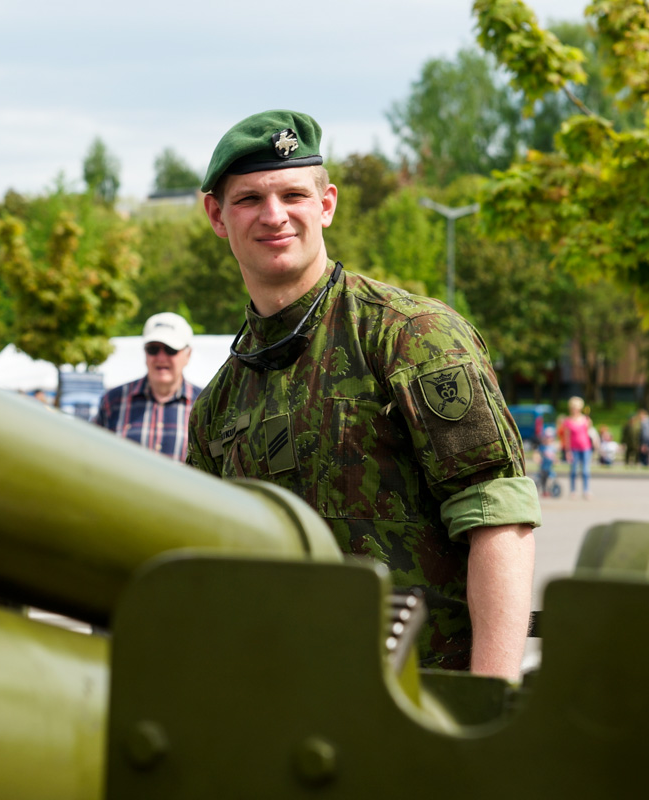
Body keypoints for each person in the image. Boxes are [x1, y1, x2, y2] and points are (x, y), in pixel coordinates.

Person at [186, 110, 539, 680]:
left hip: (422, 707)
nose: (274, 216)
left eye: (293, 194)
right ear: (217, 215)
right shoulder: (219, 404)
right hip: (288, 712)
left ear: (325, 206)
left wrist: (488, 704)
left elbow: (498, 520)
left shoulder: (410, 336)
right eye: (249, 199)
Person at [93, 312, 202, 461]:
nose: (161, 357)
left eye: (171, 350)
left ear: (188, 355)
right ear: (145, 352)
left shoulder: (205, 406)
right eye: (153, 349)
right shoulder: (113, 402)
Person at [560, 397, 594, 499]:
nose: (574, 410)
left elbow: (590, 434)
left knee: (585, 471)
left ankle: (586, 490)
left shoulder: (586, 420)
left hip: (586, 448)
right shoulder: (567, 421)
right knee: (574, 470)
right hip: (574, 449)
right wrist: (567, 451)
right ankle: (573, 491)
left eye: (576, 408)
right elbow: (566, 438)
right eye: (572, 408)